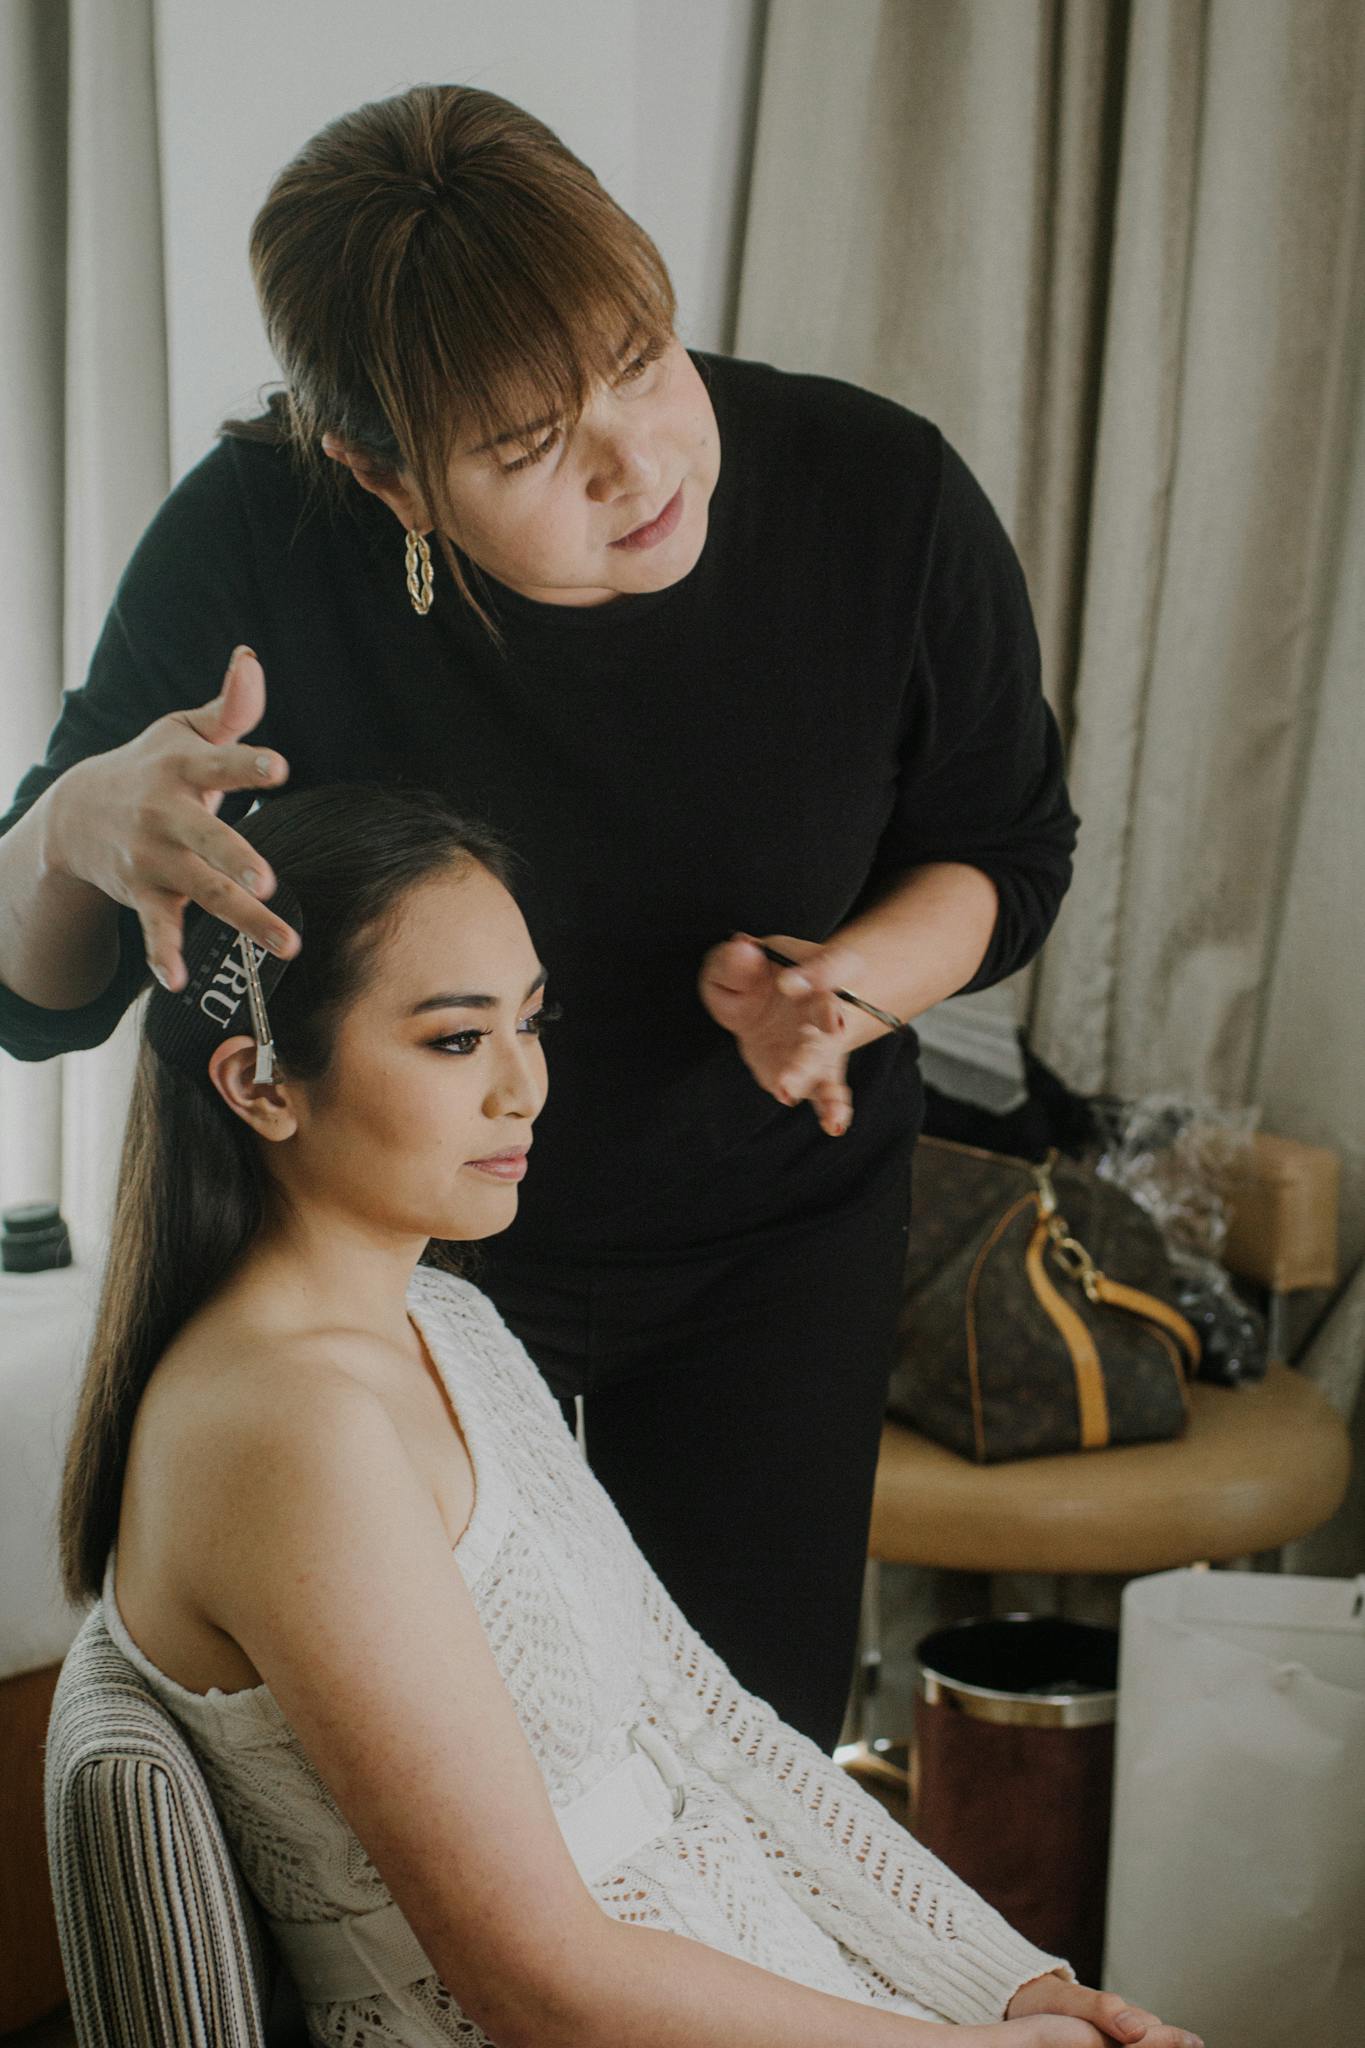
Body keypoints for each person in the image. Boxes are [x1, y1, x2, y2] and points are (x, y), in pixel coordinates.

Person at [0, 82, 1080, 1752]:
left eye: (645, 355)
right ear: (382, 474)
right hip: (361, 1260)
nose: (640, 460)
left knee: (744, 1755)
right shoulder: (255, 542)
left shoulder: (881, 493)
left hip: (758, 1232)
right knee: (391, 1773)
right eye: (526, 447)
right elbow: (33, 991)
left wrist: (849, 988)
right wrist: (76, 829)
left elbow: (1003, 847)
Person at [61, 782, 1197, 2048]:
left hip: (780, 1982)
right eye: (454, 1039)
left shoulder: (447, 1323)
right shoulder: (284, 1432)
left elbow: (703, 1723)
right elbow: (535, 1984)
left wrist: (1011, 1983)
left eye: (532, 1022)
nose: (525, 1089)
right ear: (261, 1082)